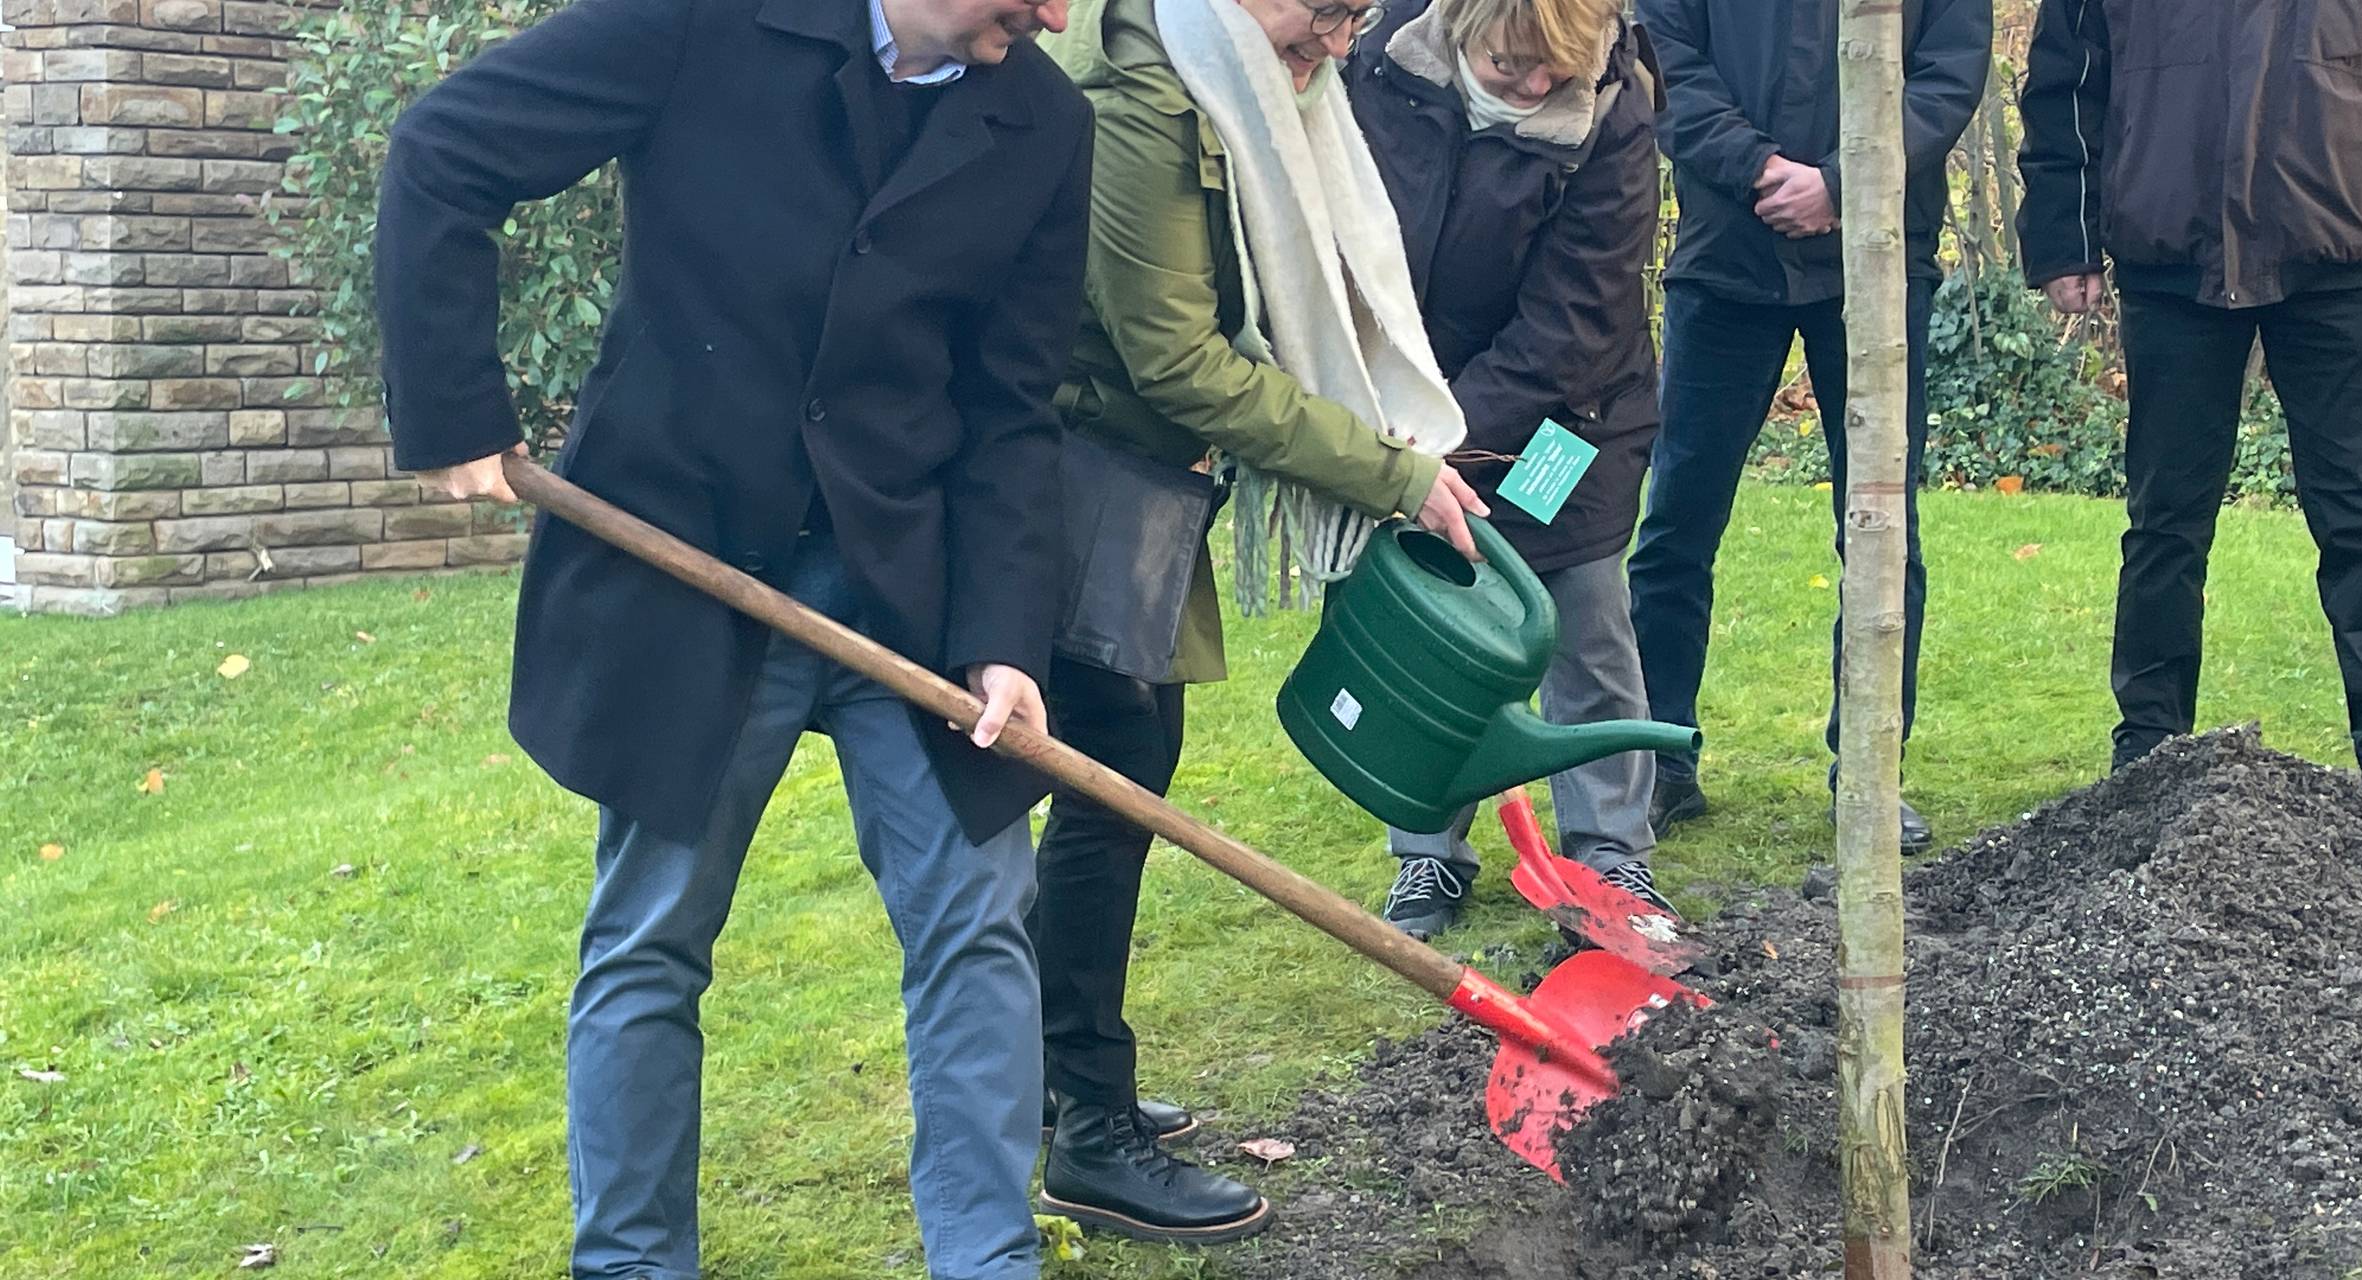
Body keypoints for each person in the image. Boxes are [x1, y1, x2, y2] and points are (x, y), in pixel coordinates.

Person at [372, 0, 1086, 1276]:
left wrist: (1004, 636)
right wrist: (451, 406)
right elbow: (446, 148)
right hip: (684, 562)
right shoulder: (702, 21)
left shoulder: (1038, 115)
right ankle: (635, 1264)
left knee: (979, 914)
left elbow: (1011, 402)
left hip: (905, 586)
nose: (1054, 15)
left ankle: (990, 1262)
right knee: (650, 936)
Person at [1038, 0, 1489, 1244]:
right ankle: (1084, 1122)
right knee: (1112, 777)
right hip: (1083, 473)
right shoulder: (1145, 98)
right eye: (1326, 8)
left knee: (1114, 771)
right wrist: (1387, 471)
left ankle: (1054, 1075)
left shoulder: (1233, 82)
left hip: (1136, 469)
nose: (1344, 41)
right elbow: (1177, 361)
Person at [2017, 0, 2362, 791]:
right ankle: (2147, 752)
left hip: (2341, 258)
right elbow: (2066, 88)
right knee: (2165, 525)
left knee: (2360, 520)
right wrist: (2063, 236)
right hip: (2172, 259)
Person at [1625, 0, 1990, 850]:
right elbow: (1664, 60)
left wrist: (1843, 179)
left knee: (1882, 531)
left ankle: (1869, 773)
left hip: (1878, 255)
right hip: (1726, 252)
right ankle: (1657, 761)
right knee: (1678, 521)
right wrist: (1760, 168)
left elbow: (1948, 72)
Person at [1342, 0, 1666, 939]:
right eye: (1513, 62)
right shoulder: (1378, 65)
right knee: (1432, 628)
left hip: (1572, 417)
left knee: (1581, 616)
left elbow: (1575, 320)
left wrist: (1439, 436)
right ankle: (1428, 855)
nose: (1534, 87)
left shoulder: (1614, 111)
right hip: (1408, 403)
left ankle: (1610, 856)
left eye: (1554, 75)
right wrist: (1392, 427)